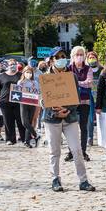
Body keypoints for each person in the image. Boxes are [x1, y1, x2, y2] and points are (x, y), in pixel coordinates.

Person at [41, 50, 95, 192]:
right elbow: (42, 100)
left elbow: (76, 97)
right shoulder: (45, 77)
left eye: (63, 57)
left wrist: (68, 110)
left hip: (70, 118)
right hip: (51, 119)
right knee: (55, 151)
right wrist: (55, 110)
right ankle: (55, 179)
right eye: (57, 57)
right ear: (52, 60)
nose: (60, 59)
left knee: (77, 150)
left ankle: (83, 181)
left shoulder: (72, 76)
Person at [69, 46, 94, 161]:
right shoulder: (68, 68)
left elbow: (89, 83)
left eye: (81, 54)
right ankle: (71, 151)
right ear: (73, 56)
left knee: (83, 127)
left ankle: (83, 151)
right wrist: (81, 83)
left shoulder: (88, 68)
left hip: (85, 101)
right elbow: (66, 83)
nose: (79, 57)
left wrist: (76, 83)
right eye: (76, 54)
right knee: (70, 127)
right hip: (71, 102)